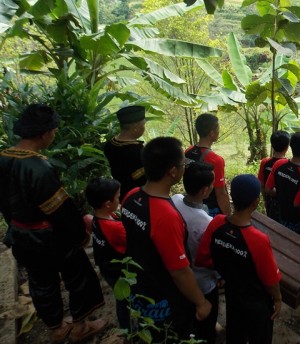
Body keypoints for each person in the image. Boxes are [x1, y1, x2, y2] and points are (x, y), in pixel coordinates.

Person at [0, 104, 107, 344]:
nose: (54, 134)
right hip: (48, 236)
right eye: (54, 130)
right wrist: (80, 235)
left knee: (41, 282)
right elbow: (59, 210)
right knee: (79, 276)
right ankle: (81, 326)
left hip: (20, 233)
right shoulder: (38, 167)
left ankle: (57, 328)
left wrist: (15, 226)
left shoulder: (4, 157)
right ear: (44, 133)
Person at [121, 137, 212, 342]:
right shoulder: (165, 216)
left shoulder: (132, 196)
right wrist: (200, 302)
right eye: (182, 165)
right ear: (173, 171)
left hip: (139, 286)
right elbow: (179, 271)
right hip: (163, 296)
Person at [195, 174, 282, 344]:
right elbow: (270, 280)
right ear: (255, 202)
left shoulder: (217, 223)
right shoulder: (258, 239)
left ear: (232, 197)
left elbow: (203, 258)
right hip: (257, 302)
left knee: (235, 334)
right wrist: (278, 299)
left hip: (233, 293)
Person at [171, 162, 221, 343]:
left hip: (180, 276)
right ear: (205, 190)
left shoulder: (175, 199)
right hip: (203, 281)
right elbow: (212, 256)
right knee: (206, 325)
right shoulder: (206, 223)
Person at [85, 177, 129, 330]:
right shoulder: (114, 228)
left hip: (106, 266)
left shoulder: (97, 218)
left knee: (121, 297)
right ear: (108, 204)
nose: (120, 199)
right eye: (118, 197)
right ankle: (127, 329)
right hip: (117, 271)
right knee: (124, 299)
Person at [265, 132, 300, 234]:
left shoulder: (279, 163)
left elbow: (268, 189)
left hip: (277, 214)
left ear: (290, 146)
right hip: (294, 222)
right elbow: (296, 204)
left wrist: (281, 194)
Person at [185, 113, 231, 216]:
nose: (219, 131)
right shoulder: (216, 160)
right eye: (218, 129)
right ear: (211, 133)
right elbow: (221, 194)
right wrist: (228, 216)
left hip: (190, 203)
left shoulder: (188, 151)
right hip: (209, 209)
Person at [103, 105, 146, 200]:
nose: (144, 128)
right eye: (143, 125)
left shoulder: (110, 144)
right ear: (135, 127)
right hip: (136, 196)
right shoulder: (137, 151)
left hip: (119, 192)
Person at [258, 130, 290, 222]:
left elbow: (262, 184)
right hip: (284, 203)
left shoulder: (265, 162)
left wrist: (265, 200)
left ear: (272, 145)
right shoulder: (288, 165)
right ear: (287, 147)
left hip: (270, 200)